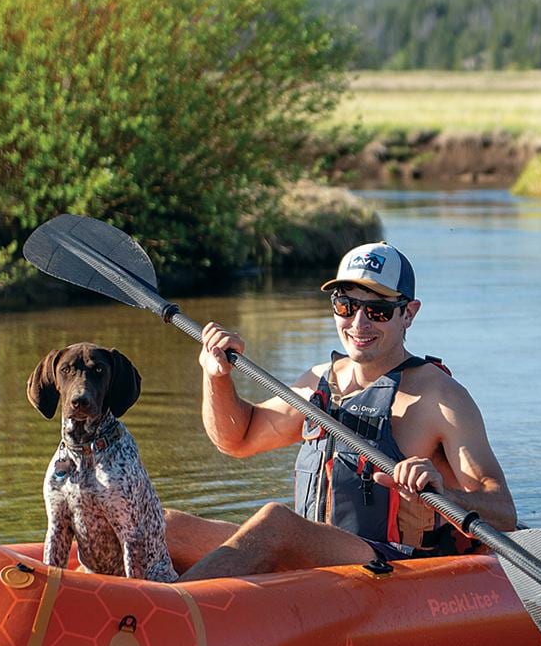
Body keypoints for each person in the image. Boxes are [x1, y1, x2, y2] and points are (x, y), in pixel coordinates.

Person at [168, 242, 516, 580]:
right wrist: (217, 378)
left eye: (377, 310)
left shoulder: (441, 399)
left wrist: (442, 494)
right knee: (165, 525)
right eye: (346, 306)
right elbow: (237, 439)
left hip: (393, 567)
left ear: (408, 313)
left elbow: (502, 511)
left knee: (276, 522)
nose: (359, 323)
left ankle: (169, 617)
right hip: (313, 554)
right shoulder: (318, 381)